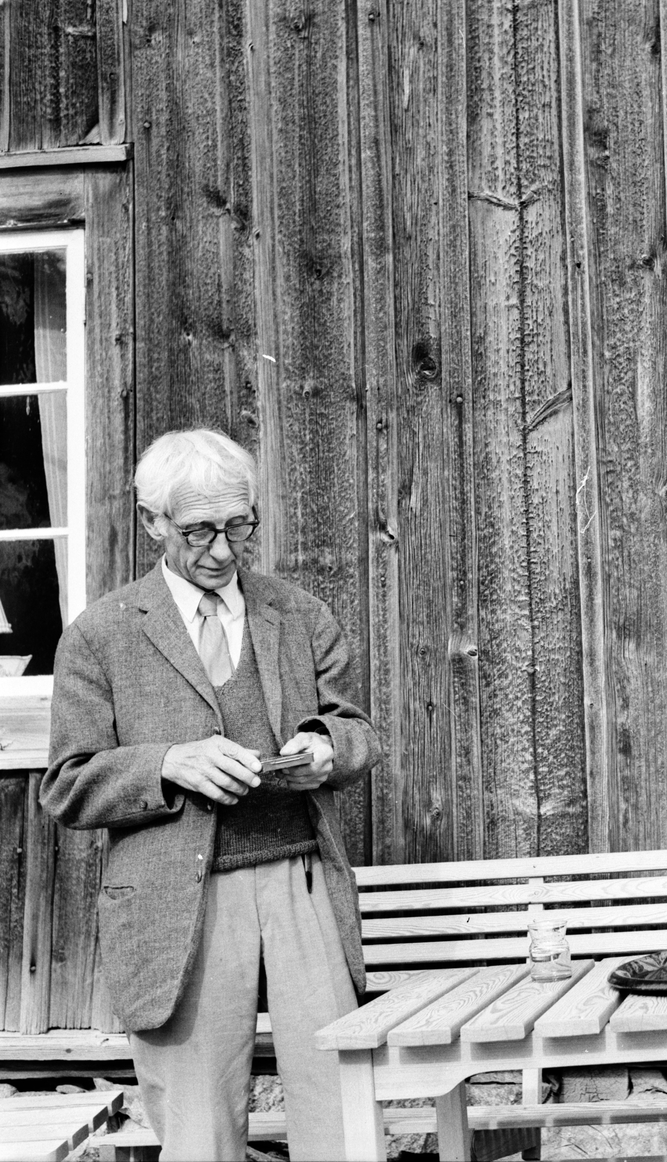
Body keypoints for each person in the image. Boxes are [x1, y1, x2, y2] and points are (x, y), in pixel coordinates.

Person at [42, 428, 383, 1161]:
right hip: (177, 902)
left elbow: (356, 729)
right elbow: (67, 785)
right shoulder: (100, 635)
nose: (223, 551)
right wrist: (168, 764)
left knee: (340, 1112)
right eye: (199, 530)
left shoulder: (298, 614)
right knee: (199, 1131)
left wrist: (326, 745)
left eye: (238, 525)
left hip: (300, 884)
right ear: (152, 522)